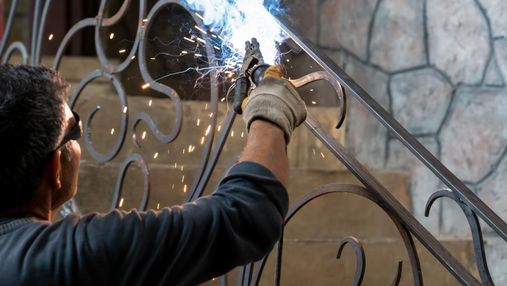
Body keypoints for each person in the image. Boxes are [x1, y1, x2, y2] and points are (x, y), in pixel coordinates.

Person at [0, 64, 306, 285]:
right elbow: (242, 214)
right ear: (54, 167)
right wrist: (270, 110)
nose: (80, 136)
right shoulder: (73, 254)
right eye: (74, 129)